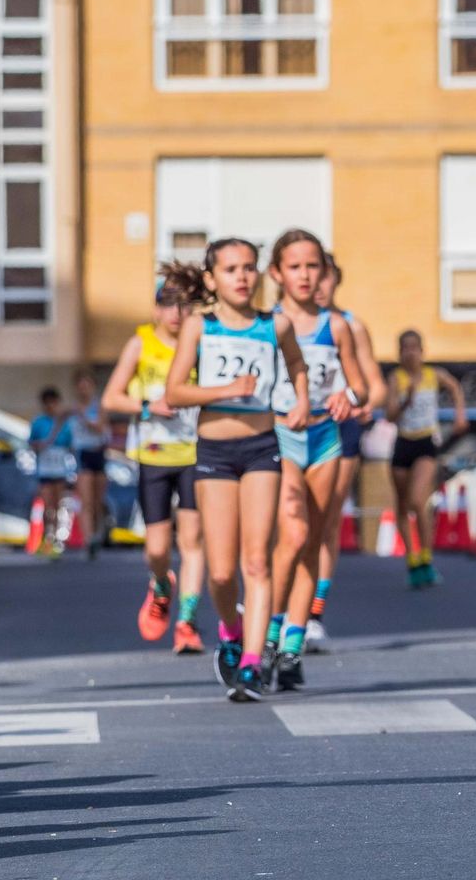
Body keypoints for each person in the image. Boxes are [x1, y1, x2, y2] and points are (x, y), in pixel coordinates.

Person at [165, 239, 309, 702]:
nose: (242, 277)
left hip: (261, 448)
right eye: (231, 270)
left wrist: (301, 398)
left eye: (249, 268)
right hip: (214, 452)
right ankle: (230, 630)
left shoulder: (275, 324)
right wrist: (226, 388)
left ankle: (252, 664)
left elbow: (296, 364)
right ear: (211, 279)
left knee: (256, 561)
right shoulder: (198, 327)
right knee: (223, 573)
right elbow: (175, 392)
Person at [264, 230, 367, 690]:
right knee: (294, 534)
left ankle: (292, 647)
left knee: (311, 543)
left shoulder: (337, 325)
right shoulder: (266, 323)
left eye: (313, 266)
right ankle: (267, 631)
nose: (305, 276)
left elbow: (362, 384)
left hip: (325, 436)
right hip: (281, 437)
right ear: (277, 273)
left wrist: (349, 394)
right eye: (295, 267)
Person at [102, 272, 207, 653]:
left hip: (196, 453)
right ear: (156, 308)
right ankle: (162, 584)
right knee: (158, 548)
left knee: (193, 541)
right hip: (155, 454)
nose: (177, 313)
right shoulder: (141, 342)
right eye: (169, 305)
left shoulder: (200, 341)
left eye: (184, 305)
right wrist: (149, 405)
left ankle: (187, 622)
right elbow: (111, 398)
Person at [308, 254, 385, 651]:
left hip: (340, 428)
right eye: (309, 273)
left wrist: (363, 401)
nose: (316, 283)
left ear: (336, 279)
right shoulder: (280, 322)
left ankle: (313, 612)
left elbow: (376, 385)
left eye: (325, 276)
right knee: (289, 519)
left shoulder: (350, 326)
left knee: (325, 520)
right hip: (294, 427)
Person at [386, 329, 467, 588]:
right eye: (405, 348)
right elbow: (389, 416)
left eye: (414, 347)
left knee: (418, 502)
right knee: (402, 505)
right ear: (399, 353)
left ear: (422, 351)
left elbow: (454, 386)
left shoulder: (434, 375)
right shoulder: (396, 379)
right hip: (403, 443)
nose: (410, 352)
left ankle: (426, 558)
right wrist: (406, 400)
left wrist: (460, 415)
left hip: (425, 443)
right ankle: (412, 559)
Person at [27, 387, 74, 558]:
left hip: (60, 469)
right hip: (45, 470)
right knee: (47, 505)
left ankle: (55, 537)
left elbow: (70, 445)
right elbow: (31, 443)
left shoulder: (65, 425)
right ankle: (46, 536)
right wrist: (41, 445)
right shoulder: (38, 422)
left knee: (58, 504)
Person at [70, 368, 108, 558]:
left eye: (88, 385)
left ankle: (98, 533)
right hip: (82, 454)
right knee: (86, 501)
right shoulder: (72, 409)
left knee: (97, 501)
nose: (84, 389)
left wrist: (85, 417)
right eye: (81, 386)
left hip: (98, 453)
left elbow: (100, 427)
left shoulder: (98, 406)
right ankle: (88, 540)